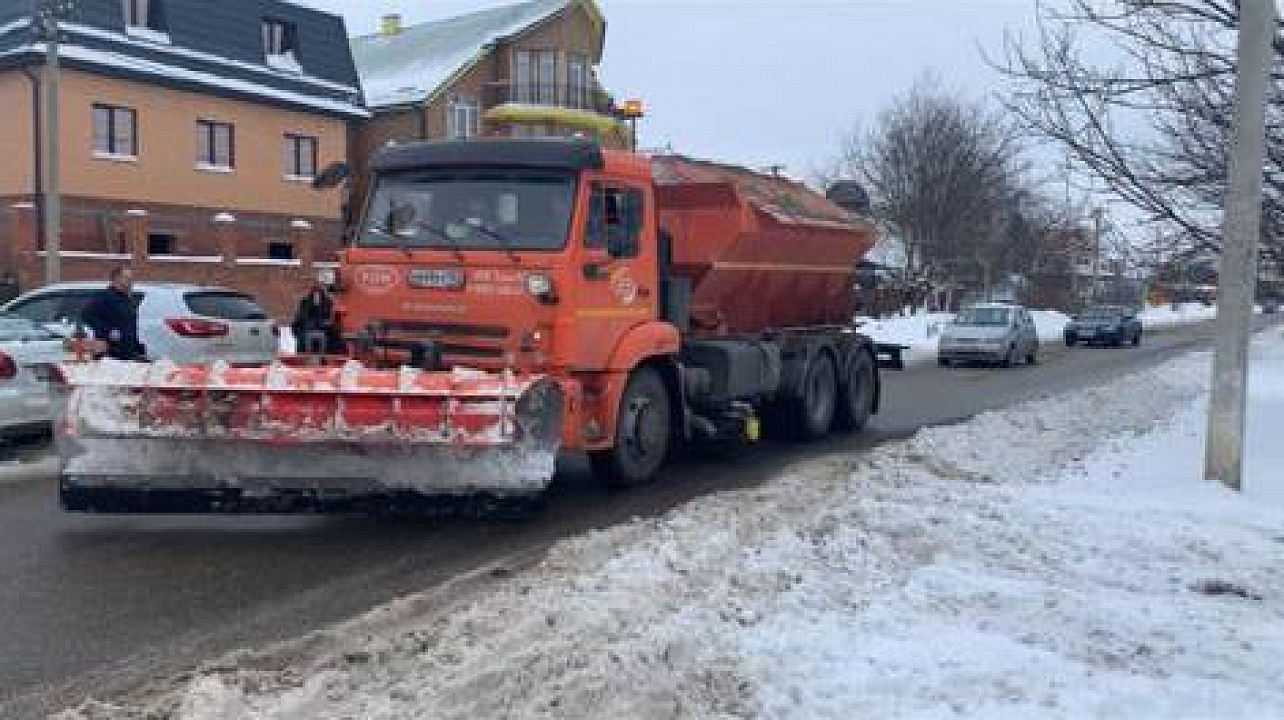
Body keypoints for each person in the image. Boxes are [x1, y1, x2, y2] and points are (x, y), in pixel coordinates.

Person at [82, 266, 147, 361]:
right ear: (116, 278)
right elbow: (86, 315)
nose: (131, 282)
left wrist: (138, 348)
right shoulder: (104, 296)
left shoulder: (128, 300)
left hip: (127, 353)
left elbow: (130, 327)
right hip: (109, 354)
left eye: (131, 279)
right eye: (127, 278)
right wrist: (109, 331)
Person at [291, 281, 343, 354]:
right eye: (315, 291)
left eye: (318, 290)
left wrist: (327, 325)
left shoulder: (328, 303)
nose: (316, 295)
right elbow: (298, 320)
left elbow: (332, 320)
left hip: (325, 333)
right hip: (307, 332)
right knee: (310, 338)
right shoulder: (305, 303)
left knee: (326, 338)